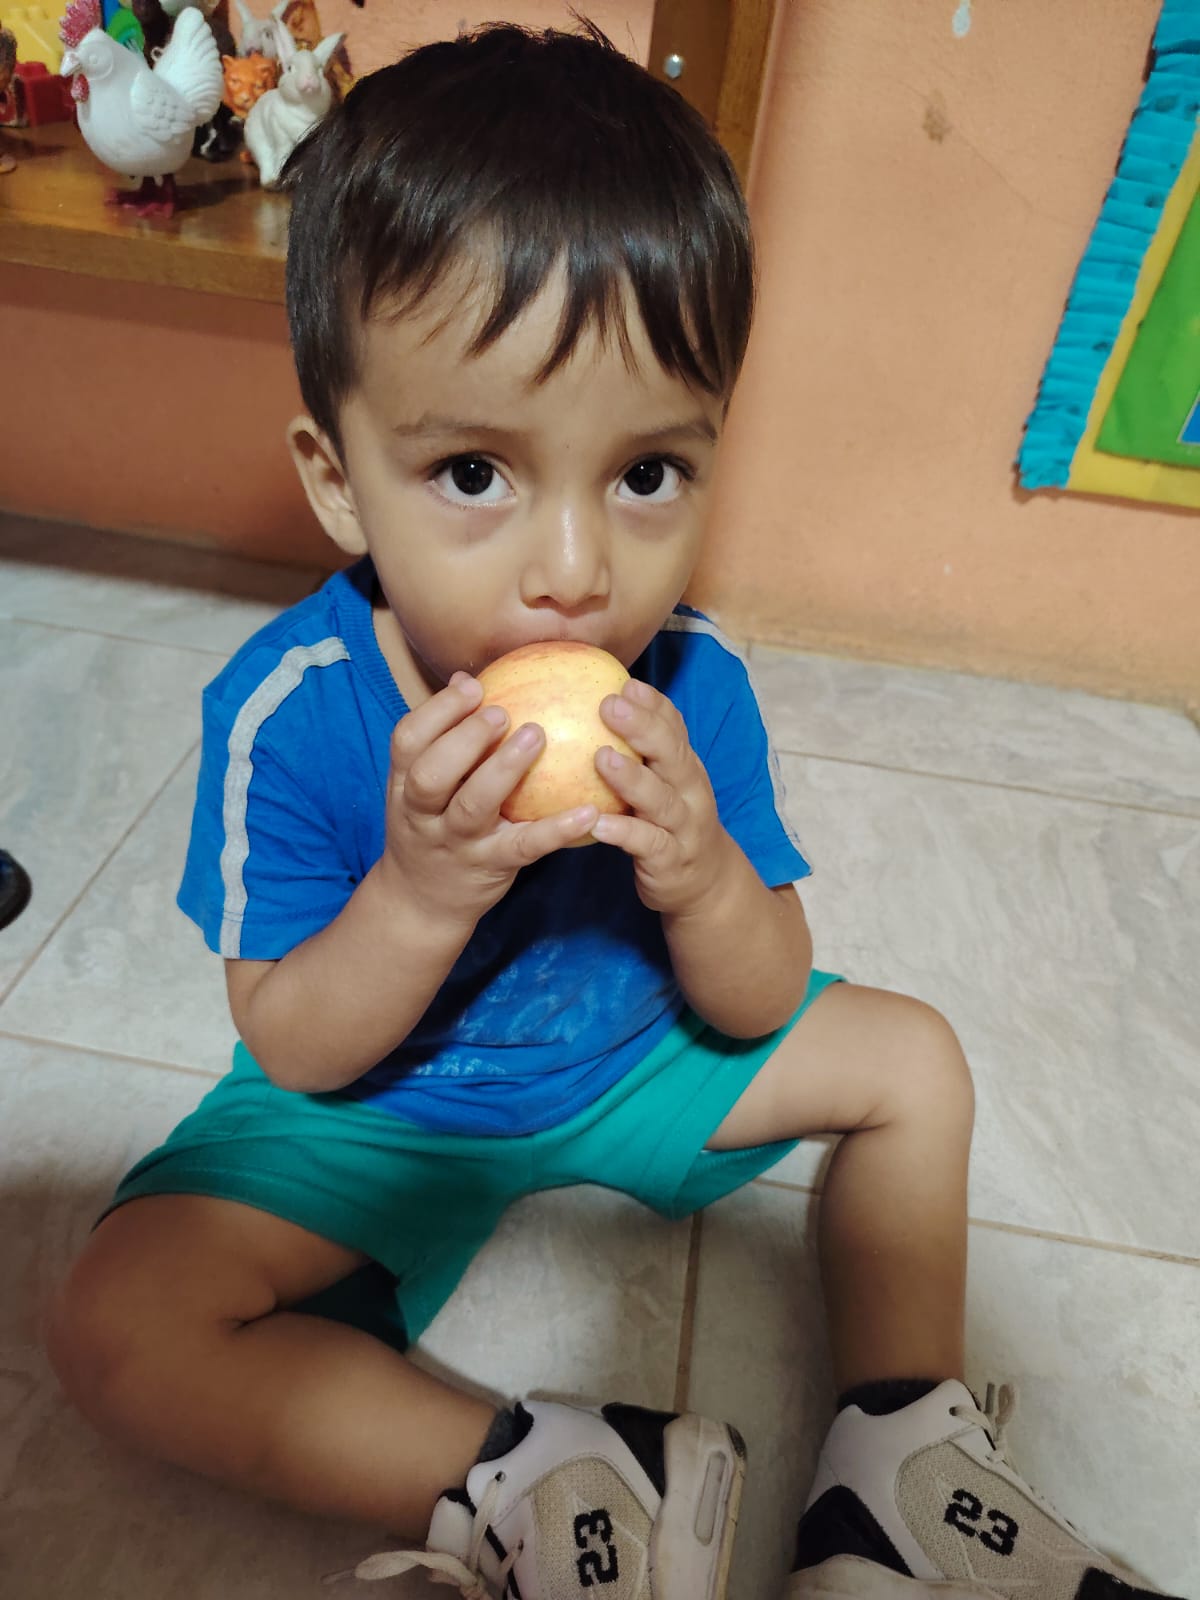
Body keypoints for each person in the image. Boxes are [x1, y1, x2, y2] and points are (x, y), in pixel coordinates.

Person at [45, 22, 1178, 1600]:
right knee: (118, 1319)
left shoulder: (690, 685)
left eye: (646, 474)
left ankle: (901, 1463)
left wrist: (704, 875)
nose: (577, 572)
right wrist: (419, 893)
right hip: (387, 1103)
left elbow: (765, 994)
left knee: (914, 1062)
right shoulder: (286, 710)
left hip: (637, 1056)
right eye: (474, 474)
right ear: (338, 478)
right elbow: (291, 1045)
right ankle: (553, 1471)